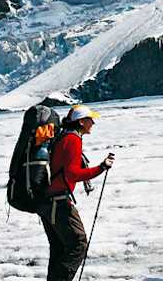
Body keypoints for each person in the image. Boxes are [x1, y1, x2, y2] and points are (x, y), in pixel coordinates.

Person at [39, 104, 114, 281]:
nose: (93, 123)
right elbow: (72, 173)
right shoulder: (72, 140)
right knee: (78, 244)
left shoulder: (62, 137)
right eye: (90, 120)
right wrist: (101, 167)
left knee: (59, 248)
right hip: (59, 202)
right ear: (81, 122)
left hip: (47, 202)